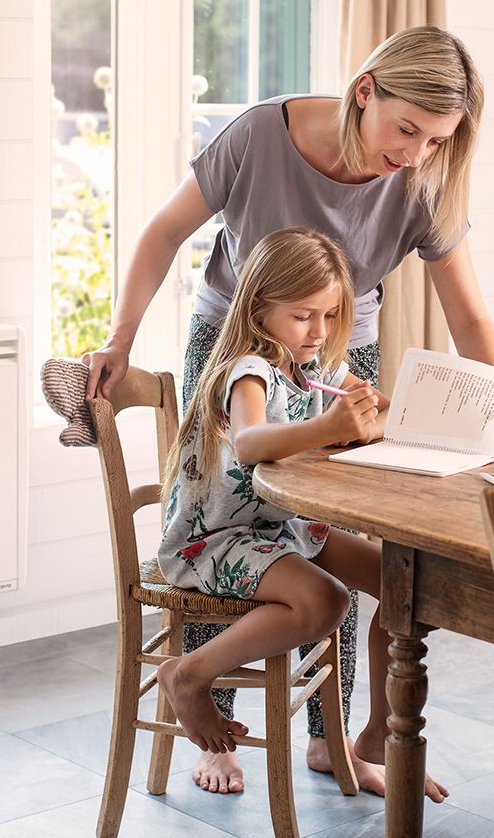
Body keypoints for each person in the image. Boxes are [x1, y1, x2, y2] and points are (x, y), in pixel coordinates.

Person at [83, 26, 494, 796]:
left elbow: (468, 313)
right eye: (406, 130)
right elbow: (163, 233)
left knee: (359, 549)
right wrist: (120, 337)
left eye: (437, 140)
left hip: (333, 368)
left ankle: (343, 740)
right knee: (242, 522)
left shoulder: (421, 178)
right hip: (239, 345)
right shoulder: (259, 135)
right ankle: (214, 730)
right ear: (366, 93)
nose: (416, 153)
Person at [156, 226, 447, 803]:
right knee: (327, 601)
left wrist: (416, 418)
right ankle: (187, 674)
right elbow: (250, 441)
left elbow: (378, 412)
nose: (320, 332)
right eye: (304, 316)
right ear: (260, 308)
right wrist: (332, 427)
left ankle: (375, 734)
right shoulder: (249, 370)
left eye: (332, 315)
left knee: (405, 585)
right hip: (215, 538)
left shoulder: (316, 367)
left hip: (280, 528)